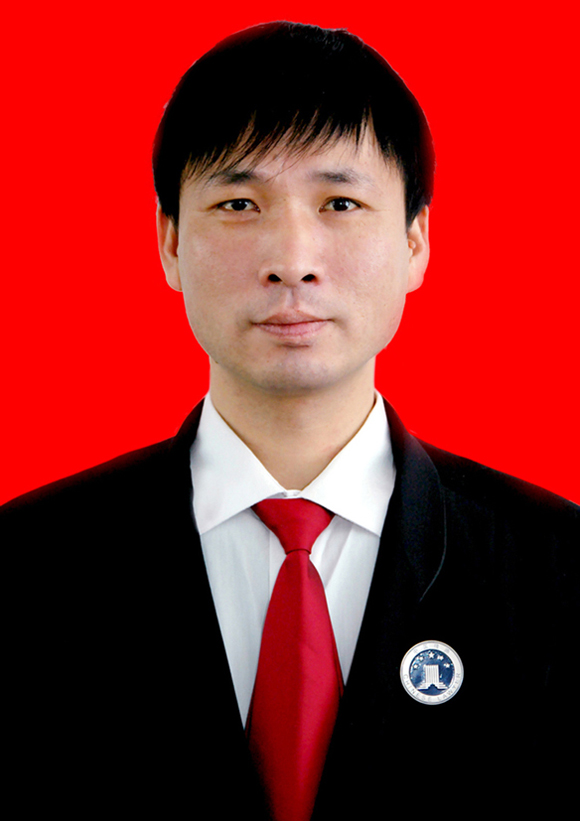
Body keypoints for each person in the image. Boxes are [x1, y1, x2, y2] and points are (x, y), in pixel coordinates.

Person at [3, 21, 578, 819]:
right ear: (169, 241)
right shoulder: (25, 565)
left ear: (416, 240)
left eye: (341, 202)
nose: (293, 259)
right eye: (239, 203)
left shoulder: (557, 569)